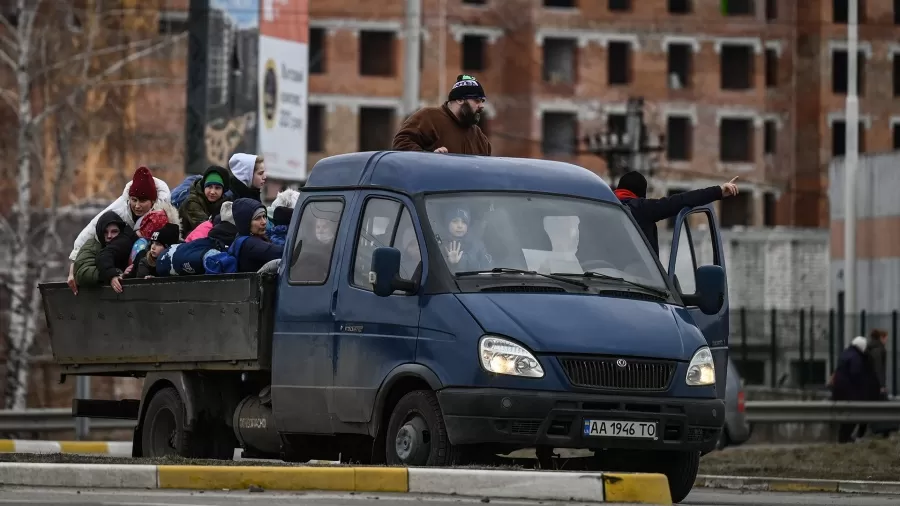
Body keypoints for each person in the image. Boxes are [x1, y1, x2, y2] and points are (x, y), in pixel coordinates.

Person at [67, 166, 171, 294]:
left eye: (143, 201)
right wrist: (72, 270)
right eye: (134, 200)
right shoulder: (119, 210)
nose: (137, 206)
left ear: (153, 201)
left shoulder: (161, 215)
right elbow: (90, 231)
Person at [613, 171, 740, 256]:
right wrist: (719, 191)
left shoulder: (599, 206)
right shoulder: (641, 208)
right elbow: (681, 200)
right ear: (641, 195)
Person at [392, 74, 491, 155]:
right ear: (460, 99)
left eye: (482, 101)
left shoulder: (479, 137)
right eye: (477, 100)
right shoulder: (429, 117)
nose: (482, 105)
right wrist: (430, 157)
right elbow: (401, 142)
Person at [830, 336, 875, 443]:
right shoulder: (856, 357)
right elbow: (856, 375)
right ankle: (845, 439)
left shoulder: (845, 354)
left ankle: (843, 438)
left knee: (847, 417)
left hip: (839, 391)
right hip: (850, 391)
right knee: (852, 416)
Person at [72, 212, 127, 288]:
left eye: (114, 231)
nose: (109, 236)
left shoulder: (125, 243)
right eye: (105, 232)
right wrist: (111, 274)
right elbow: (83, 273)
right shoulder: (92, 245)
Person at [231, 198, 284, 272]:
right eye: (257, 218)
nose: (264, 222)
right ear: (245, 222)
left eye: (264, 216)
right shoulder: (250, 244)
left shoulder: (242, 237)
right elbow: (283, 252)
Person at [179, 165, 230, 235]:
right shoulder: (192, 202)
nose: (212, 192)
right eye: (209, 186)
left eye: (217, 188)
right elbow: (205, 228)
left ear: (223, 190)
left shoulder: (225, 202)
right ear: (204, 187)